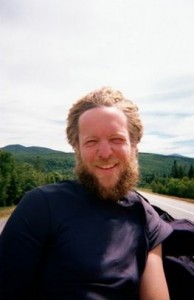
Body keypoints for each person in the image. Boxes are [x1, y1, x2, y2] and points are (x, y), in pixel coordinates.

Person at [0, 87, 173, 300]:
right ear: (77, 148)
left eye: (116, 139)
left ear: (134, 145)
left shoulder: (146, 217)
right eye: (91, 142)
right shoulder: (42, 205)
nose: (105, 153)